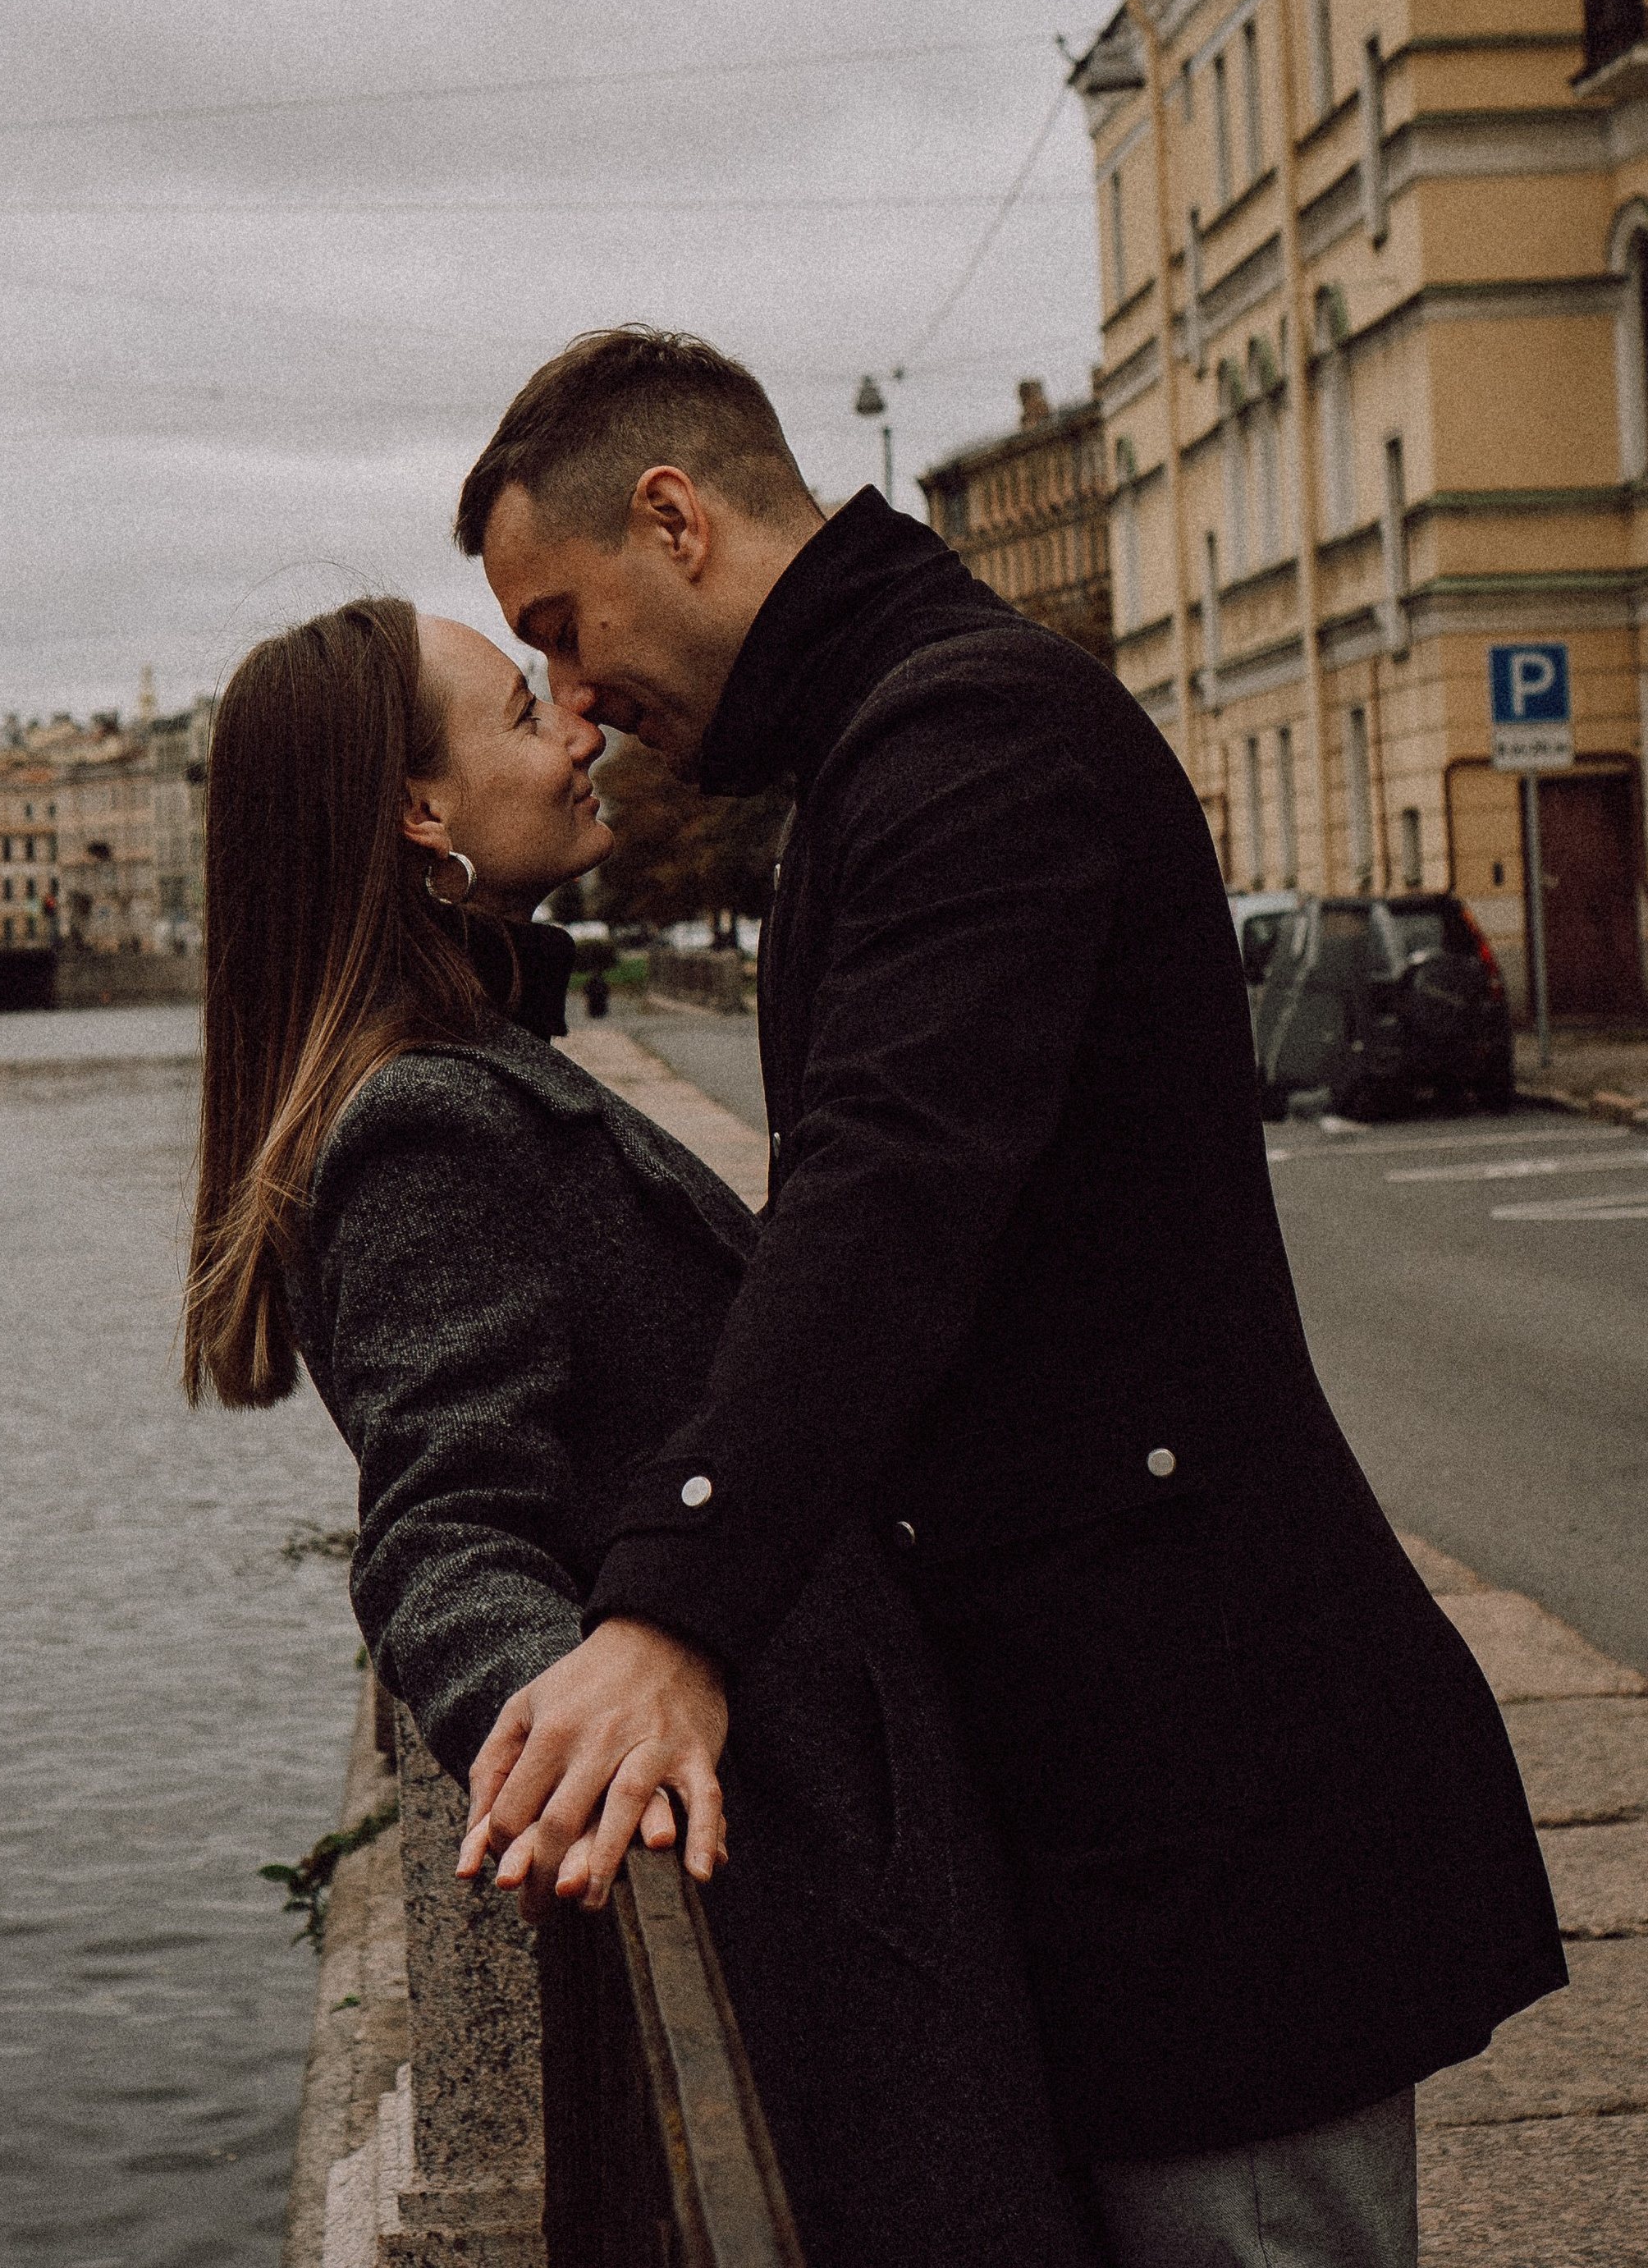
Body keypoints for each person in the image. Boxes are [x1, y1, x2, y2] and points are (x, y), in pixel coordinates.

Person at [453, 327, 1567, 2268]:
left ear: (674, 518)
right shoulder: (897, 731)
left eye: (563, 627)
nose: (576, 699)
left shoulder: (966, 735)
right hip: (1129, 1781)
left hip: (1208, 1793)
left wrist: (671, 1607)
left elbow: (888, 1198)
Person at [181, 597, 1094, 2268]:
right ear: (418, 811)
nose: (578, 724)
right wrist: (564, 1731)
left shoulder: (474, 1067)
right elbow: (442, 1526)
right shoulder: (427, 1123)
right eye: (521, 712)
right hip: (797, 1872)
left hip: (823, 1837)